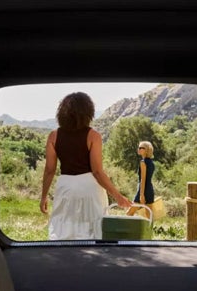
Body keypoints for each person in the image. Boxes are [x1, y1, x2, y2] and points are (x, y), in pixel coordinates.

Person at [40, 92, 132, 240]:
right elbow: (97, 171)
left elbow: (49, 170)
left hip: (65, 186)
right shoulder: (93, 136)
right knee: (94, 230)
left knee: (64, 230)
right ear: (88, 112)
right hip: (89, 186)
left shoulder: (53, 136)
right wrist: (118, 196)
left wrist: (43, 196)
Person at [127, 141, 156, 218]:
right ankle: (149, 230)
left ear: (146, 150)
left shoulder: (143, 162)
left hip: (143, 190)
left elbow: (143, 180)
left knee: (129, 213)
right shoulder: (152, 163)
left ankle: (126, 229)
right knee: (149, 216)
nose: (139, 149)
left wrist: (141, 195)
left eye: (141, 148)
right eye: (139, 147)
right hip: (150, 189)